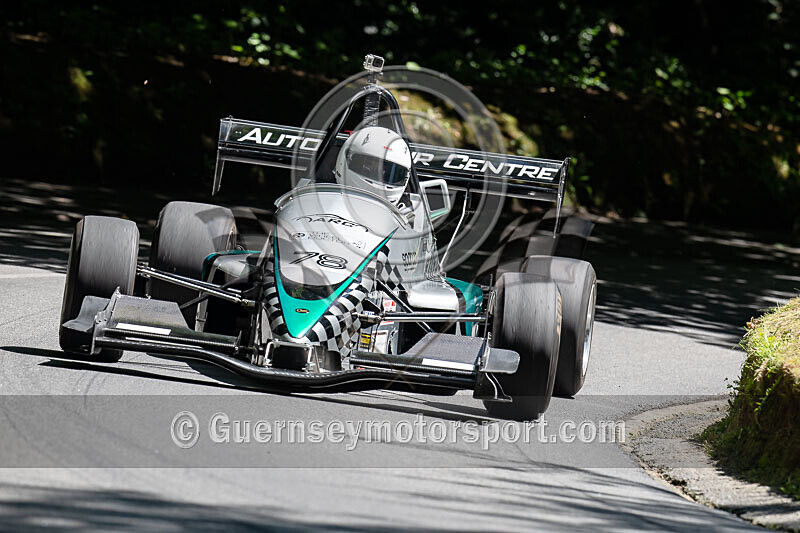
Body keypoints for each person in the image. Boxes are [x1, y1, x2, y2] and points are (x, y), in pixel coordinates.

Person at [334, 126, 412, 205]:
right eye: (368, 165)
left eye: (386, 171)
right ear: (347, 158)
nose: (377, 173)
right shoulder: (324, 195)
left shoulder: (404, 211)